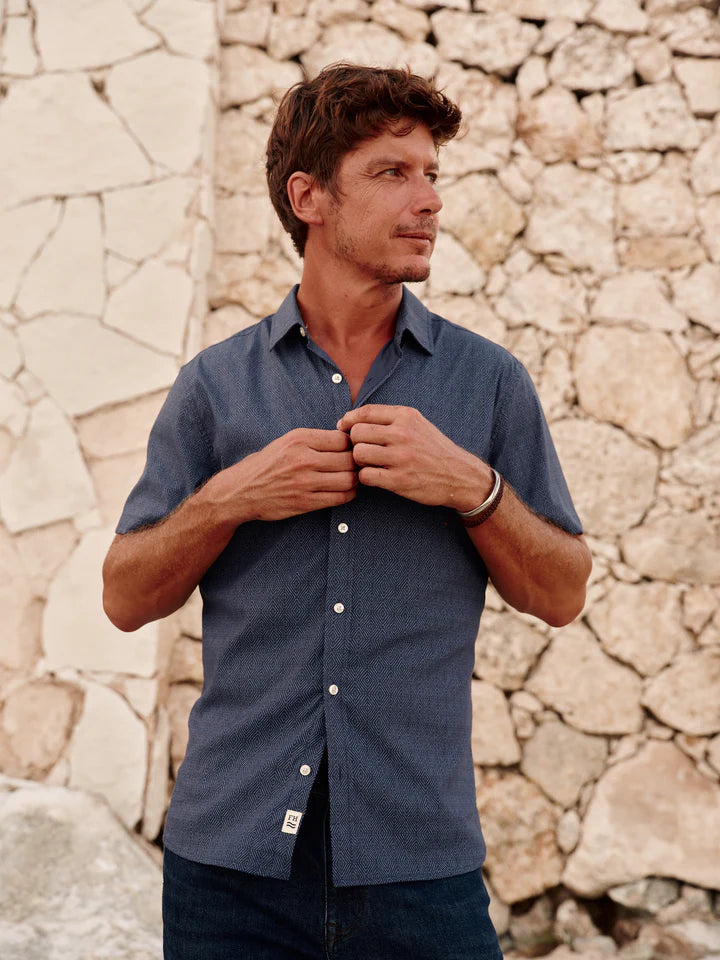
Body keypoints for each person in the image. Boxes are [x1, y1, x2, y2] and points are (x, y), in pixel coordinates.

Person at [103, 63, 592, 960]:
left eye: (432, 173)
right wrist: (232, 497)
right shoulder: (214, 387)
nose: (428, 200)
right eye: (392, 173)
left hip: (419, 868)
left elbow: (562, 594)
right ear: (309, 199)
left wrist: (471, 486)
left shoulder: (488, 384)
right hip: (229, 872)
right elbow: (125, 597)